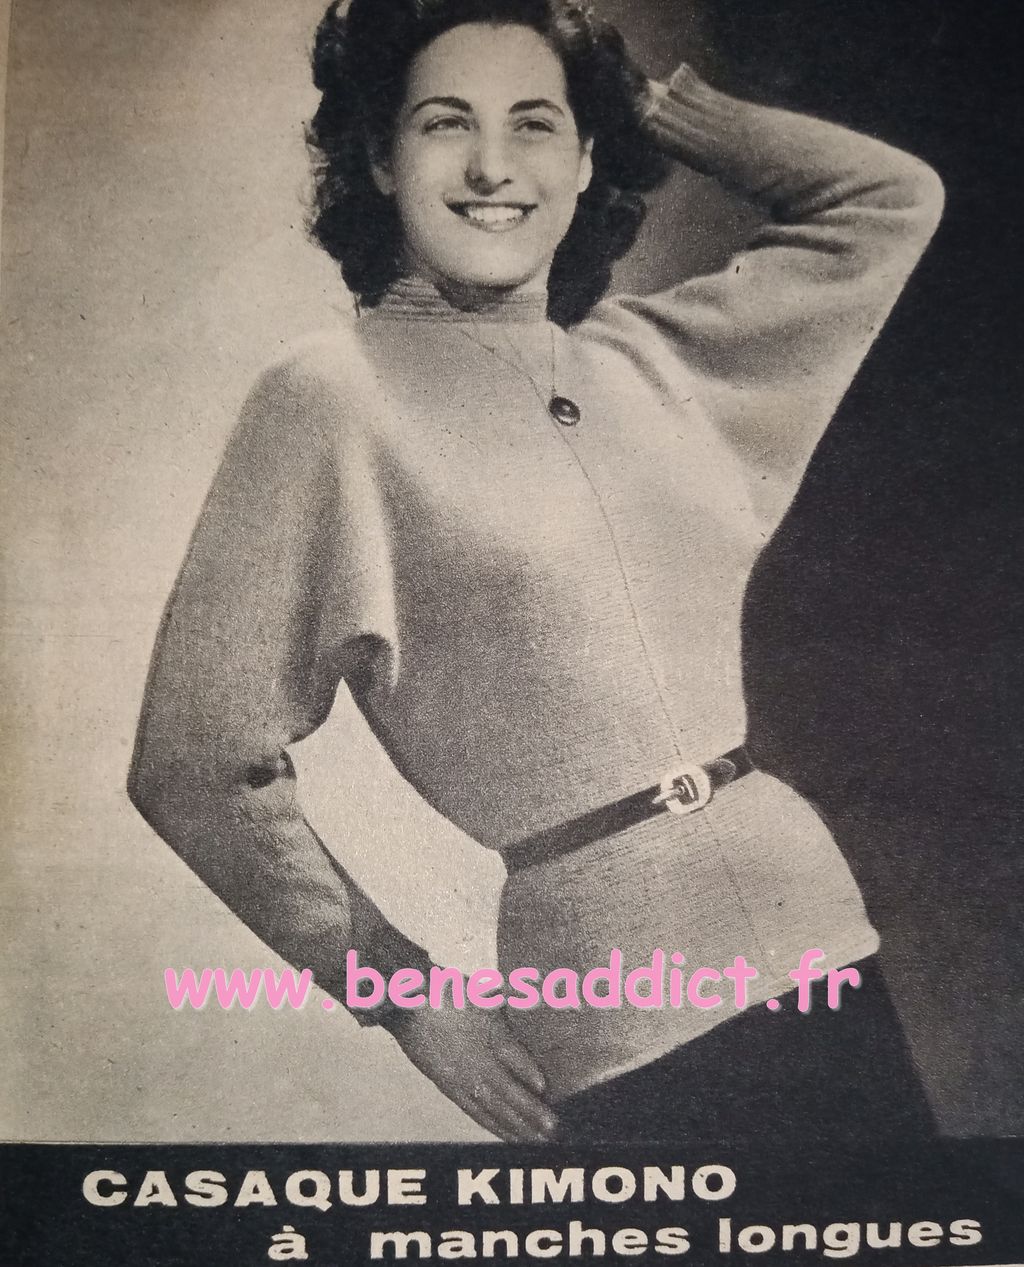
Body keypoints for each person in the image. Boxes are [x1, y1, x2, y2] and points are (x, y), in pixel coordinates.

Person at [128, 0, 944, 1149]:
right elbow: (191, 762)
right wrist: (395, 986)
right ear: (378, 158)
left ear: (587, 156)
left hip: (818, 936)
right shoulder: (327, 401)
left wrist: (638, 98)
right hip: (617, 1009)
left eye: (535, 124)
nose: (492, 167)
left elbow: (887, 199)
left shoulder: (659, 360)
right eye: (445, 123)